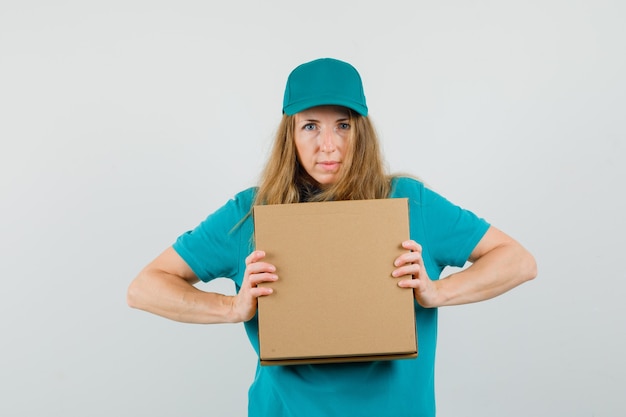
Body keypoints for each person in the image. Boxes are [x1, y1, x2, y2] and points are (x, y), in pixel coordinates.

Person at [127, 57, 537, 417]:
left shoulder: (410, 203)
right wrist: (232, 308)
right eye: (310, 126)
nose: (329, 145)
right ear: (290, 134)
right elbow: (145, 288)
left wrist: (437, 293)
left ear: (362, 131)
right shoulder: (252, 213)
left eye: (343, 125)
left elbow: (517, 260)